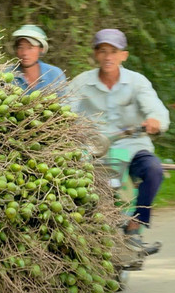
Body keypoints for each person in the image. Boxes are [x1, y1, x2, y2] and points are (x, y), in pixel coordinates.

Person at [69, 28, 169, 247]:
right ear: (95, 54)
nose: (108, 57)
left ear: (124, 55)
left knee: (153, 170)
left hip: (132, 146)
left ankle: (135, 226)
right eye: (103, 51)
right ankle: (80, 233)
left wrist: (154, 121)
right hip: (94, 149)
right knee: (71, 183)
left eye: (114, 51)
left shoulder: (137, 82)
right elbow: (63, 110)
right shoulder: (81, 82)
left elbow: (157, 110)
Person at [11, 24, 66, 93]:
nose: (24, 53)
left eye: (30, 47)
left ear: (41, 49)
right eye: (20, 47)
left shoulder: (55, 75)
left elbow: (64, 102)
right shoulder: (7, 75)